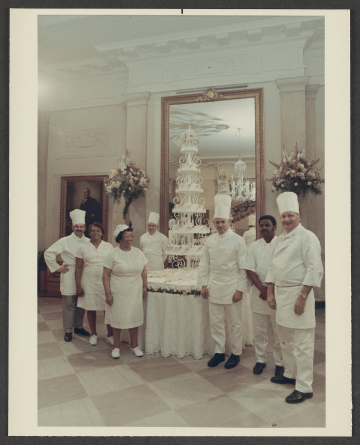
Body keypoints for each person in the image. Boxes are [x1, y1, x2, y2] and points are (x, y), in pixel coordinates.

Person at [266, 192, 323, 404]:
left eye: (290, 215)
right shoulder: (280, 239)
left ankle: (304, 386)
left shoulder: (307, 237)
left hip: (300, 295)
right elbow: (272, 267)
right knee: (285, 341)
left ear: (298, 216)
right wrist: (271, 291)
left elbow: (314, 268)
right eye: (283, 216)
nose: (287, 220)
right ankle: (290, 374)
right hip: (281, 294)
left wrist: (302, 297)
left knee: (302, 344)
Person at [198, 194, 250, 369]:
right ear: (213, 223)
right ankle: (219, 352)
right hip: (215, 285)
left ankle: (236, 353)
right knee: (216, 321)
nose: (220, 225)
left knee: (235, 322)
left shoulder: (238, 240)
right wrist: (204, 284)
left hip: (232, 285)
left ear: (229, 222)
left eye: (223, 222)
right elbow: (204, 264)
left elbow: (243, 267)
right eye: (217, 222)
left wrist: (240, 289)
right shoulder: (210, 240)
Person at [243, 215, 284, 376]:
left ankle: (280, 363)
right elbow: (249, 269)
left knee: (277, 330)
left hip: (276, 294)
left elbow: (281, 268)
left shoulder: (281, 244)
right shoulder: (254, 246)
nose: (264, 228)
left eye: (267, 225)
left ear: (275, 227)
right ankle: (260, 360)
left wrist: (269, 291)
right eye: (261, 226)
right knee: (259, 330)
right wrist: (262, 289)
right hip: (258, 292)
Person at [103, 223, 148, 359]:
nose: (130, 239)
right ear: (119, 239)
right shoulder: (112, 254)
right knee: (118, 318)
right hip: (118, 291)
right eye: (126, 236)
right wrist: (108, 294)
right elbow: (105, 275)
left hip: (134, 291)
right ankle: (116, 346)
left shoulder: (138, 252)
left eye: (131, 236)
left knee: (133, 318)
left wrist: (144, 286)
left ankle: (134, 345)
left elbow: (144, 270)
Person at [44, 209, 90, 342]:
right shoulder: (65, 240)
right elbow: (49, 253)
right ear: (73, 227)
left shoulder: (88, 241)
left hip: (84, 274)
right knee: (69, 303)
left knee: (81, 303)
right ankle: (68, 330)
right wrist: (58, 268)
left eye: (81, 227)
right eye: (77, 227)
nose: (79, 229)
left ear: (85, 228)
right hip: (69, 273)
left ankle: (79, 327)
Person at [75, 222, 114, 346]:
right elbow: (78, 268)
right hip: (89, 281)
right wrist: (78, 285)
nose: (95, 232)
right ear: (89, 233)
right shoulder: (82, 247)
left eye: (98, 230)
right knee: (91, 307)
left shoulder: (108, 246)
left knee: (107, 308)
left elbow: (114, 264)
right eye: (92, 230)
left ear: (102, 233)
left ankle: (110, 334)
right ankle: (93, 333)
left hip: (105, 281)